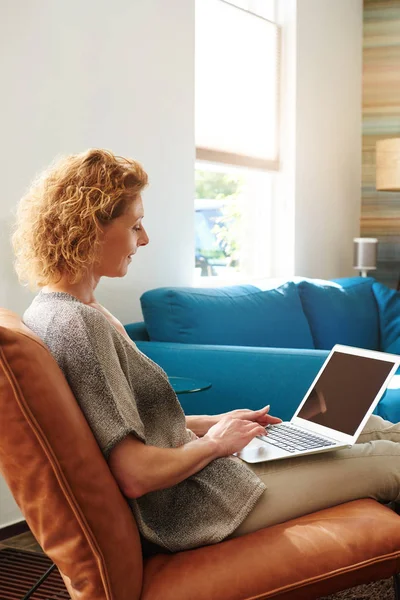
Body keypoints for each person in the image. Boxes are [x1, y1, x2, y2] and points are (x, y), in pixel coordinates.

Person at [13, 148, 400, 555]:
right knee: (390, 460)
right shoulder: (77, 325)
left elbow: (136, 424)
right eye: (135, 226)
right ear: (90, 228)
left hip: (202, 477)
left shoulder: (62, 309)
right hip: (196, 505)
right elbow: (134, 473)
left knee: (369, 425)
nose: (144, 239)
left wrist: (220, 422)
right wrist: (216, 443)